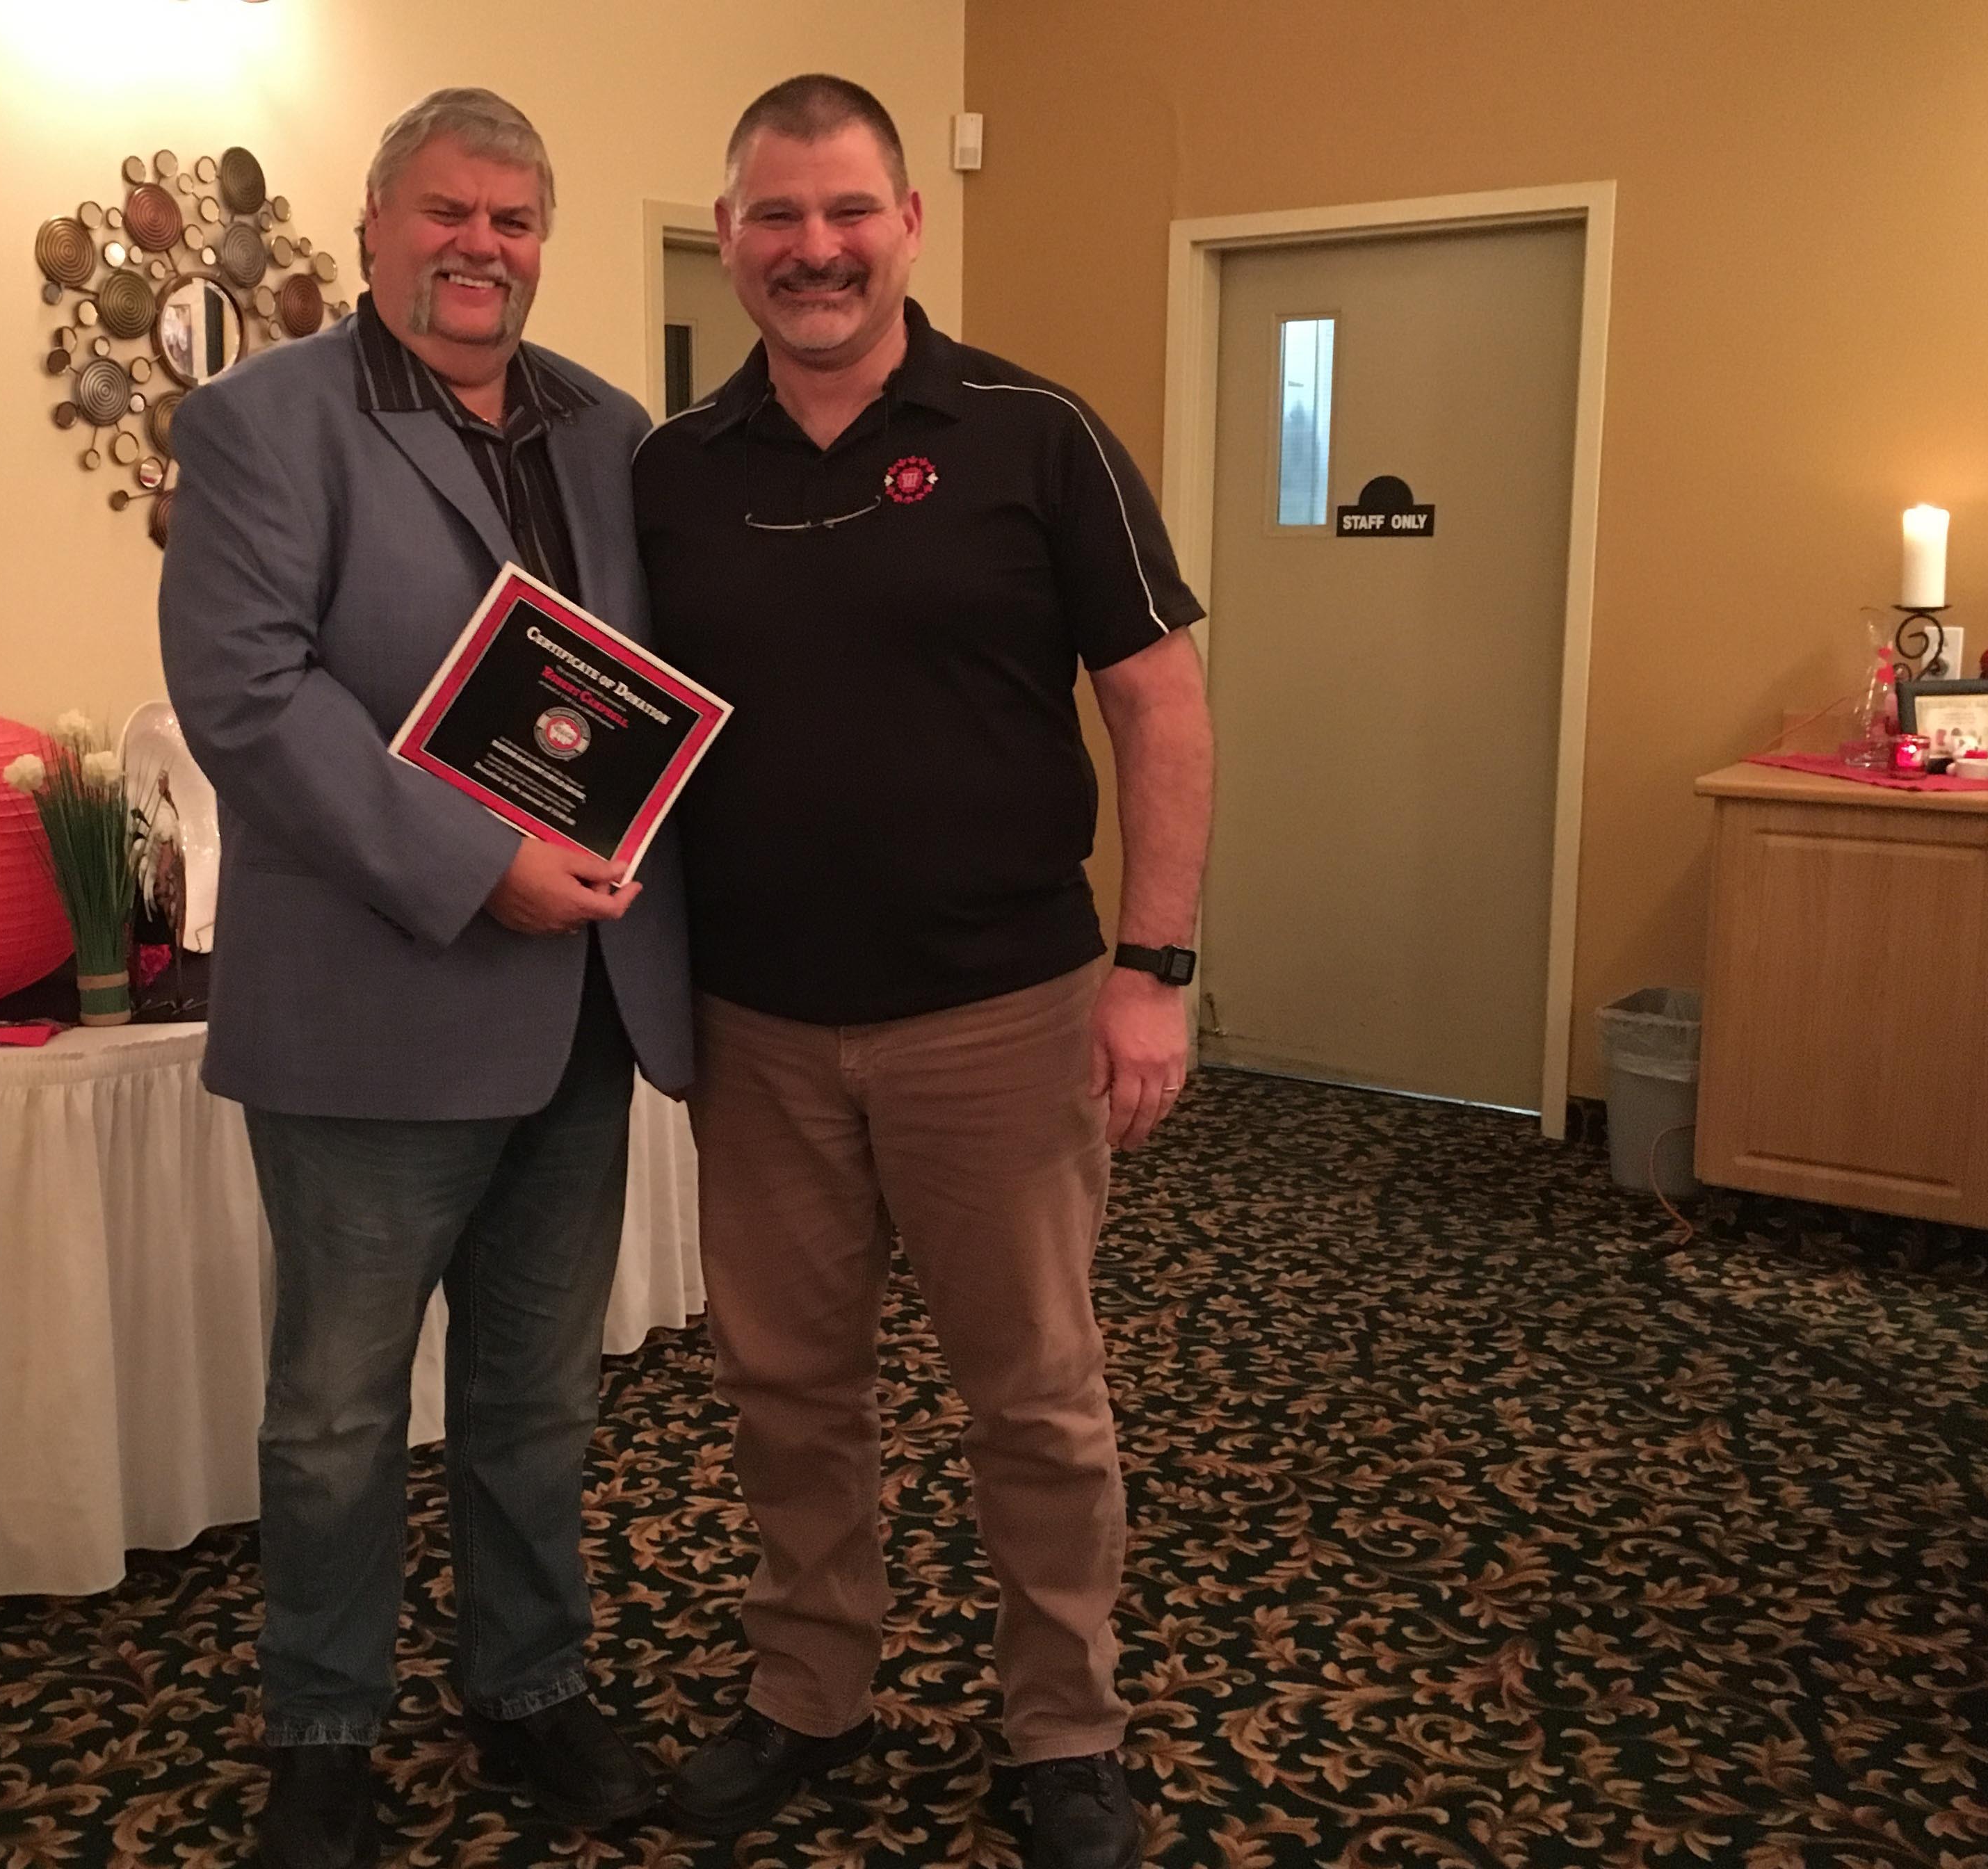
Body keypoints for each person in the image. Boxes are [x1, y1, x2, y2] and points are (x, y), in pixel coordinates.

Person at [631, 74, 1214, 1869]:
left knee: (1033, 1393)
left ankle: (1065, 1728)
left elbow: (1161, 705)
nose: (815, 248)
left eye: (848, 211)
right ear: (730, 237)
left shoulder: (1036, 434)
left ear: (909, 224)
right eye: (778, 217)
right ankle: (812, 1690)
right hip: (760, 1025)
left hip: (1001, 1010)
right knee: (787, 1390)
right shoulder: (669, 472)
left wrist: (1156, 967)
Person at [158, 87, 688, 1869]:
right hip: (376, 1006)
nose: (481, 249)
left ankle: (528, 1690)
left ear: (545, 242)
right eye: (447, 214)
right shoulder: (259, 424)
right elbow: (249, 696)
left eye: (515, 221)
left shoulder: (613, 430)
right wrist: (481, 872)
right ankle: (322, 1730)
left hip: (584, 1015)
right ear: (375, 226)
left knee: (540, 1398)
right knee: (335, 1414)